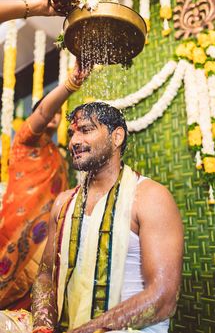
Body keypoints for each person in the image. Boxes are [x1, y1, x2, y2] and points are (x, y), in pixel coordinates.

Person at [31, 102, 184, 333]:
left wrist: (88, 330)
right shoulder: (64, 203)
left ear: (117, 137)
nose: (74, 141)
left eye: (86, 130)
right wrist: (42, 324)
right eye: (72, 133)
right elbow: (44, 274)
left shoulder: (150, 197)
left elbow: (163, 299)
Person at [0, 59, 90, 310]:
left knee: (33, 301)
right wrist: (71, 84)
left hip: (47, 235)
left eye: (59, 113)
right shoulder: (26, 140)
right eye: (52, 111)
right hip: (16, 230)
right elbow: (42, 112)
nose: (55, 115)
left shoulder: (59, 154)